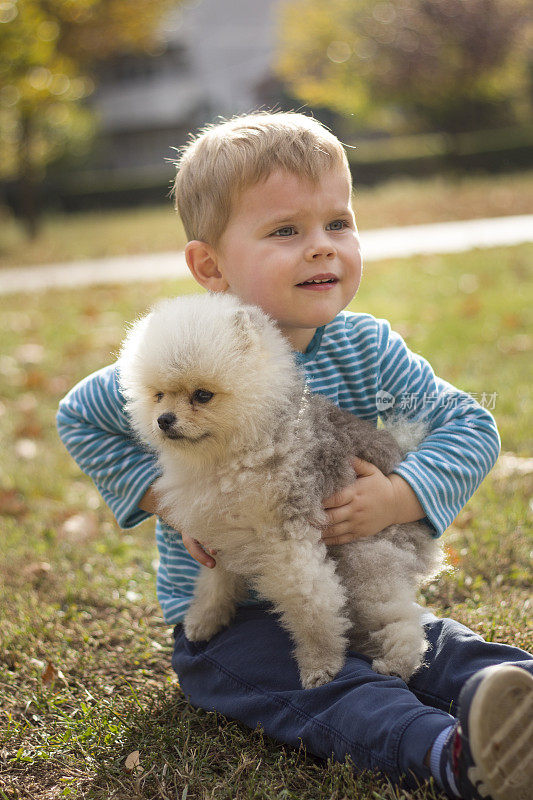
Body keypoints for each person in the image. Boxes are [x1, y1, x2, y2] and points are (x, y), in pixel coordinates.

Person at [57, 111, 532, 799]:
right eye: (285, 231)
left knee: (440, 648)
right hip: (237, 624)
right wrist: (169, 501)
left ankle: (507, 700)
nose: (321, 248)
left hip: (355, 587)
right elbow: (80, 416)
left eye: (337, 223)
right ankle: (453, 756)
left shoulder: (366, 348)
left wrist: (399, 496)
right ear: (209, 265)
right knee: (330, 688)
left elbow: (467, 424)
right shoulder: (184, 352)